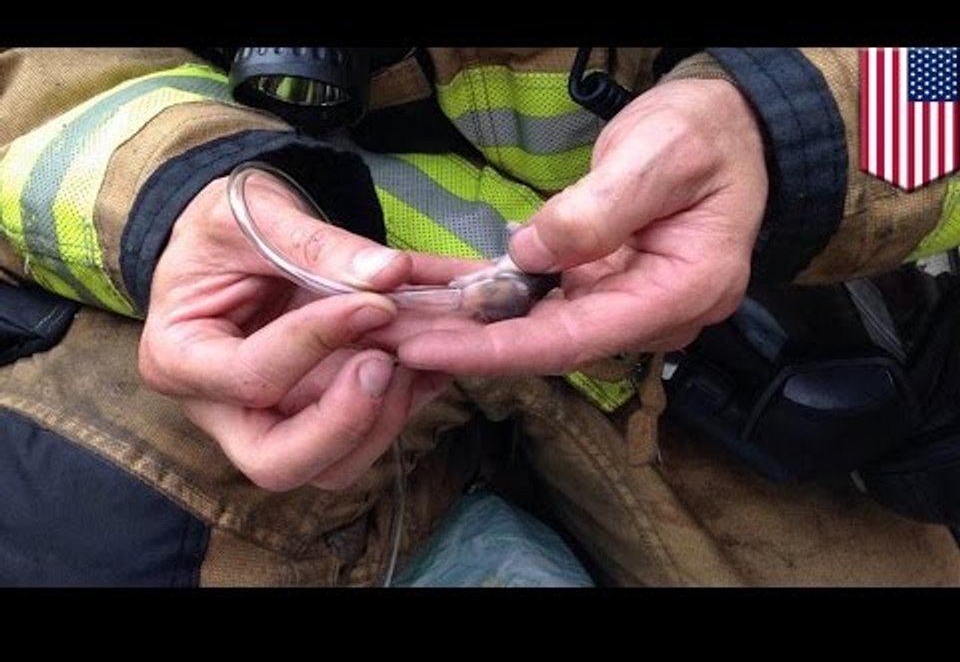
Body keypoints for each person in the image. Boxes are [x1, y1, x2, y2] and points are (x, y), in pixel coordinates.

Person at [0, 47, 957, 586]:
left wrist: (784, 125)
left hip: (757, 372)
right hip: (319, 327)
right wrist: (173, 194)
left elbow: (940, 75)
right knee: (88, 519)